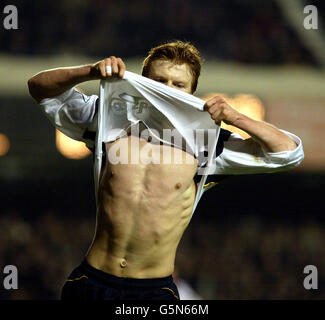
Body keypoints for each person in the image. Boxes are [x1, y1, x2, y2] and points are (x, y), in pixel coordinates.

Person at [27, 41, 304, 300]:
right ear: (145, 82)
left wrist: (236, 117)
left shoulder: (208, 143)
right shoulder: (109, 119)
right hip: (92, 280)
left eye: (178, 84)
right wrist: (89, 71)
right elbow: (39, 88)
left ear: (192, 93)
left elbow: (288, 152)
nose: (168, 89)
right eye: (160, 81)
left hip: (153, 290)